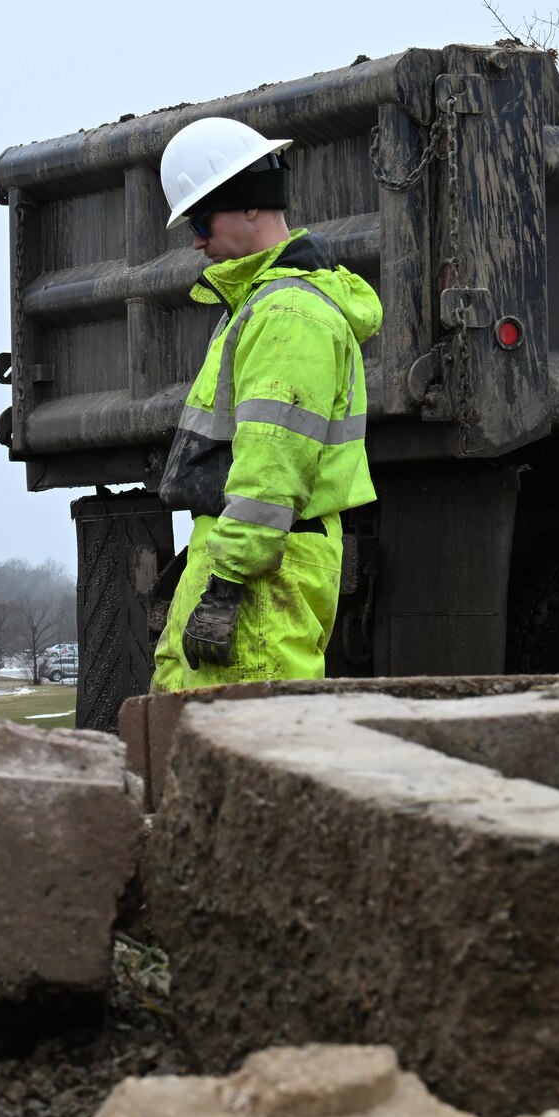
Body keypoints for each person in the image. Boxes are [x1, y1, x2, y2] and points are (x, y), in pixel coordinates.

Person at [150, 117, 384, 691]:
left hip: (261, 574)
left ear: (250, 205)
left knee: (239, 746)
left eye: (201, 220)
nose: (197, 240)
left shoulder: (287, 316)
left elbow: (272, 466)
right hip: (251, 560)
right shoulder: (260, 304)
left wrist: (227, 583)